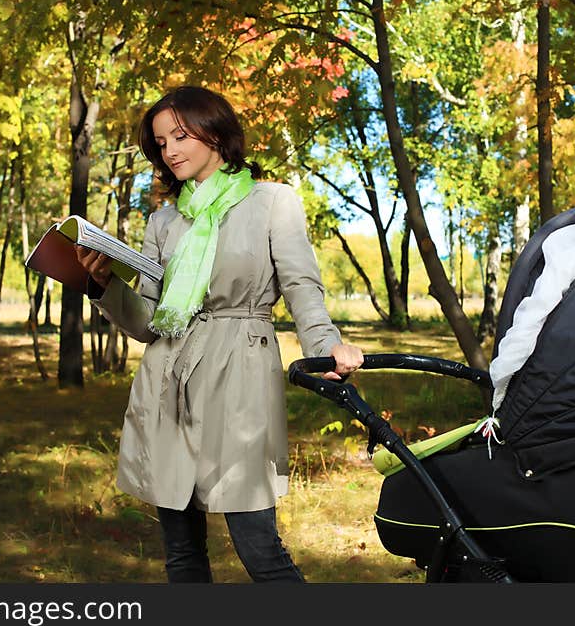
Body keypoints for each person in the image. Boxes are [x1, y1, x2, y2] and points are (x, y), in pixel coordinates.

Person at [76, 85, 363, 583]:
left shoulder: (272, 201)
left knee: (260, 549)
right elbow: (148, 320)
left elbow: (301, 286)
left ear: (215, 132)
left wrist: (325, 347)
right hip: (168, 382)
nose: (169, 151)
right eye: (161, 143)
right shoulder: (164, 220)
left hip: (239, 378)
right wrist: (102, 284)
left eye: (179, 136)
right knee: (183, 555)